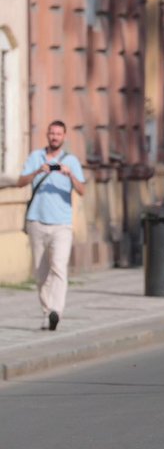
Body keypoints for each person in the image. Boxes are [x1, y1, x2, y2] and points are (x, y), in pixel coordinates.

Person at [16, 120, 86, 331]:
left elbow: (82, 190)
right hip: (37, 221)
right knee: (41, 273)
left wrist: (69, 174)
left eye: (58, 134)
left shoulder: (71, 160)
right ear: (47, 135)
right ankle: (47, 313)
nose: (55, 136)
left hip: (61, 224)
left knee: (59, 267)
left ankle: (56, 310)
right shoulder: (35, 157)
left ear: (64, 137)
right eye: (52, 133)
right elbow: (20, 182)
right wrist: (39, 171)